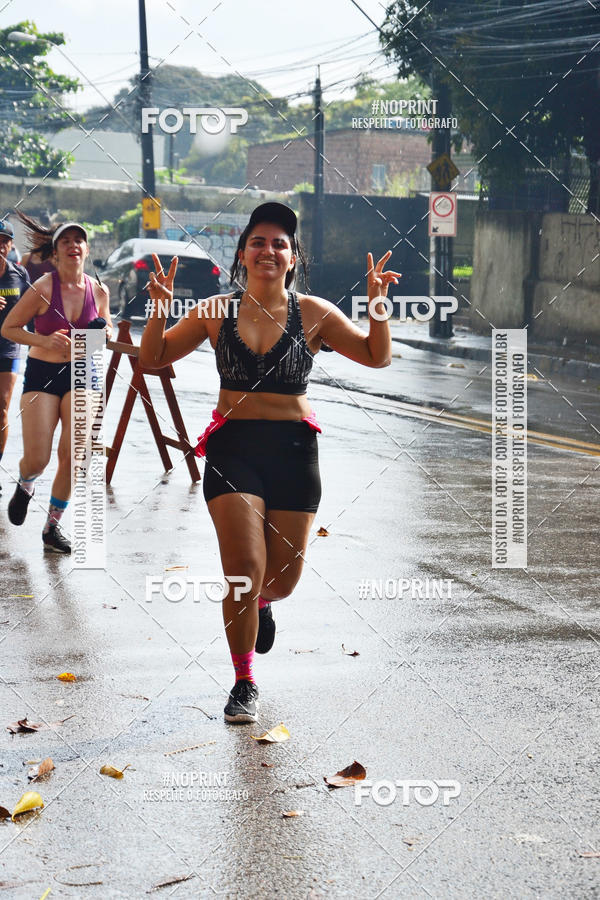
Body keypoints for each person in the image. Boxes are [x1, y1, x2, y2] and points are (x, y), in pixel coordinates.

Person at [139, 202, 399, 723]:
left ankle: (263, 603)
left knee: (278, 580)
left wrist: (377, 305)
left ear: (293, 258)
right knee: (242, 571)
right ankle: (242, 681)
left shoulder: (316, 313)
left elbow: (376, 356)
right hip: (234, 447)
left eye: (280, 243)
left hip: (294, 452)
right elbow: (152, 359)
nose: (268, 250)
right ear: (242, 254)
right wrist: (159, 309)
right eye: (258, 241)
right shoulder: (216, 311)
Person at [1, 215, 112, 553]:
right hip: (42, 374)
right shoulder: (42, 288)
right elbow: (9, 329)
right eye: (66, 241)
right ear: (55, 253)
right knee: (38, 457)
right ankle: (26, 483)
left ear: (86, 249)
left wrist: (102, 333)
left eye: (79, 240)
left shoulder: (99, 290)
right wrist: (44, 340)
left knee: (74, 455)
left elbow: (104, 331)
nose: (73, 245)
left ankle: (52, 527)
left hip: (84, 376)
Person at [0, 220, 31, 492]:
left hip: (7, 349)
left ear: (10, 245)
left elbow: (34, 314)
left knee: (1, 409)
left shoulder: (18, 276)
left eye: (4, 241)